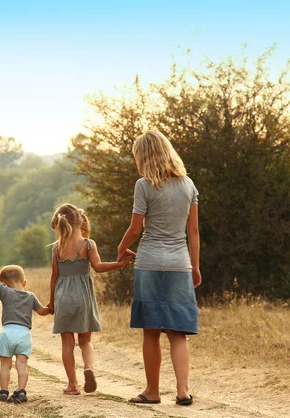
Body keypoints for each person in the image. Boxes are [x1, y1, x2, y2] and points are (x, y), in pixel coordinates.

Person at [117, 129, 201, 406]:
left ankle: (152, 392)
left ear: (144, 157)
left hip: (150, 263)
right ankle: (183, 391)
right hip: (180, 264)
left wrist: (120, 248)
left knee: (151, 331)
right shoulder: (188, 185)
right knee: (178, 332)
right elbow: (194, 232)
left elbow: (135, 228)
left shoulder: (144, 185)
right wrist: (195, 266)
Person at [49, 204, 133, 395]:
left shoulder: (57, 248)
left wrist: (52, 302)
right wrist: (120, 264)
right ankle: (88, 367)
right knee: (85, 341)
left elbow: (54, 276)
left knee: (67, 344)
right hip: (83, 297)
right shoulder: (88, 244)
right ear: (80, 221)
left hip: (63, 297)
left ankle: (72, 385)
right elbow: (99, 266)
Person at [0, 263, 50, 404]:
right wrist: (52, 306)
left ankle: (4, 392)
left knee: (5, 365)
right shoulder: (31, 296)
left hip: (8, 333)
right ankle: (21, 391)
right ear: (24, 282)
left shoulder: (5, 292)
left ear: (4, 284)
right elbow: (42, 311)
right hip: (24, 335)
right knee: (21, 365)